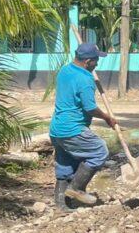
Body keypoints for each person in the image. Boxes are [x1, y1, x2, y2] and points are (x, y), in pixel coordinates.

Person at [49, 42, 118, 212]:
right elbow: (90, 108)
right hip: (72, 129)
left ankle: (62, 204)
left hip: (57, 129)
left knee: (66, 164)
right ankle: (76, 189)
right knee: (99, 151)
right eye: (95, 60)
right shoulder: (85, 80)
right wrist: (107, 117)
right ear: (87, 62)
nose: (97, 63)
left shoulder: (65, 70)